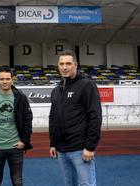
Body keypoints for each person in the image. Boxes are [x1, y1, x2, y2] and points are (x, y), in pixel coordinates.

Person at [49, 50, 102, 186]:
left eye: (68, 63)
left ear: (76, 65)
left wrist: (90, 147)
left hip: (80, 149)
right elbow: (53, 117)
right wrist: (53, 143)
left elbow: (95, 116)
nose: (64, 67)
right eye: (61, 64)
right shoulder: (56, 90)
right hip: (61, 150)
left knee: (86, 184)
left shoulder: (86, 85)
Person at [0, 66, 33, 186]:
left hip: (15, 147)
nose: (5, 81)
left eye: (7, 79)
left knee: (17, 182)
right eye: (2, 79)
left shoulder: (20, 97)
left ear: (12, 80)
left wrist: (24, 141)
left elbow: (27, 120)